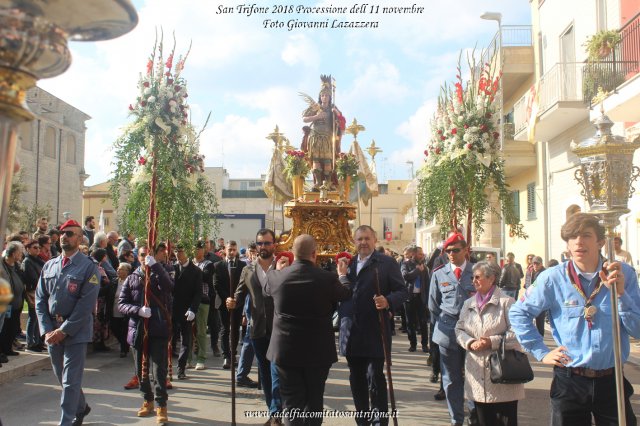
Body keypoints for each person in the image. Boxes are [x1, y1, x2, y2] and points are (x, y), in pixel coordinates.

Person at [510, 213, 640, 425]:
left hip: (612, 380)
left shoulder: (622, 273)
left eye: (586, 235)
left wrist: (621, 295)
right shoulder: (552, 278)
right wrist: (541, 352)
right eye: (572, 237)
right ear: (567, 244)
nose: (579, 241)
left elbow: (638, 330)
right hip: (570, 381)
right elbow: (519, 313)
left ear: (600, 241)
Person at [265, 234, 351, 425]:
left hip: (285, 351)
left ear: (293, 253)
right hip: (317, 352)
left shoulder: (277, 277)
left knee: (290, 402)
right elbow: (345, 294)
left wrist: (278, 269)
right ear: (314, 254)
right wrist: (343, 276)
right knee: (314, 399)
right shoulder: (327, 278)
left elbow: (266, 289)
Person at [338, 225, 407, 425]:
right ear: (354, 241)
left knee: (374, 377)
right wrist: (340, 276)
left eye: (367, 238)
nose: (363, 243)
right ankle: (362, 420)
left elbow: (402, 291)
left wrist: (388, 301)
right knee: (357, 379)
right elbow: (343, 293)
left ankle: (379, 421)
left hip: (376, 331)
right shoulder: (347, 264)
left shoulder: (385, 263)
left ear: (375, 240)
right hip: (351, 332)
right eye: (359, 239)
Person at [35, 219, 100, 426]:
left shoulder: (89, 268)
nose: (64, 236)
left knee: (70, 380)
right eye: (63, 233)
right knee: (61, 376)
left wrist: (64, 330)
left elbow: (85, 305)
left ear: (81, 239)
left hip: (76, 332)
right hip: (52, 331)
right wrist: (46, 330)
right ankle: (80, 407)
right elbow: (40, 300)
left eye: (70, 234)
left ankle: (67, 420)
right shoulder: (49, 265)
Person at [455, 261, 525, 426]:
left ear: (491, 278)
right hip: (477, 374)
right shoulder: (468, 303)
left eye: (478, 277)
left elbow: (518, 333)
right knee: (481, 420)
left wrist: (491, 342)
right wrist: (470, 342)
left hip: (503, 375)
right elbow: (459, 329)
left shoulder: (507, 302)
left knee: (504, 420)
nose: (473, 281)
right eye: (473, 277)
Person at [226, 229, 281, 423]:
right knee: (265, 374)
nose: (263, 247)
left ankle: (276, 414)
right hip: (257, 329)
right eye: (260, 243)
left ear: (274, 244)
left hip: (280, 330)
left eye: (267, 243)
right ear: (256, 246)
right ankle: (273, 413)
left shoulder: (282, 267)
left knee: (276, 372)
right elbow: (239, 295)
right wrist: (231, 301)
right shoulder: (248, 270)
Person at [118, 245, 174, 425]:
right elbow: (122, 303)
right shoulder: (132, 277)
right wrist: (137, 310)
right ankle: (147, 400)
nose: (144, 258)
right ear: (137, 256)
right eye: (142, 255)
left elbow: (169, 286)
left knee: (159, 370)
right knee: (140, 370)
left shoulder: (161, 272)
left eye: (147, 255)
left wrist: (156, 266)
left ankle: (161, 406)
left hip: (158, 328)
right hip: (138, 329)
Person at [429, 232, 476, 426]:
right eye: (448, 251)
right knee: (451, 379)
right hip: (447, 332)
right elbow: (433, 305)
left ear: (466, 250)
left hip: (474, 332)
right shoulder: (439, 273)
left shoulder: (478, 271)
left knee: (475, 377)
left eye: (455, 250)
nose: (451, 254)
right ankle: (456, 419)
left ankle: (475, 417)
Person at [301, 74, 346, 190]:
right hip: (315, 136)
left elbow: (341, 120)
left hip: (328, 137)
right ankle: (318, 183)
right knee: (316, 159)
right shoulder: (315, 107)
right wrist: (317, 116)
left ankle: (327, 183)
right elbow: (304, 119)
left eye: (326, 95)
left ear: (330, 97)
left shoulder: (333, 108)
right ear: (320, 96)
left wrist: (336, 113)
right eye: (323, 95)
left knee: (327, 160)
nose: (324, 97)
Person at [213, 240, 246, 369]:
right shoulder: (217, 265)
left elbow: (243, 285)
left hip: (237, 303)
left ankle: (233, 354)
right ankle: (226, 356)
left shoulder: (242, 265)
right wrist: (227, 298)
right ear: (225, 250)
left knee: (235, 330)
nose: (231, 252)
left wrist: (235, 300)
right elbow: (216, 284)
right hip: (223, 303)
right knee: (225, 329)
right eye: (229, 249)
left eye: (233, 249)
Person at [171, 244, 201, 379]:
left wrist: (193, 309)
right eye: (176, 251)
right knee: (168, 338)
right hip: (171, 309)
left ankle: (181, 368)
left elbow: (198, 293)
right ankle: (164, 368)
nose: (178, 254)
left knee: (185, 340)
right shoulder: (171, 268)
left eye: (181, 251)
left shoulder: (196, 271)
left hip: (186, 310)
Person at [401, 246, 430, 353]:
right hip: (409, 297)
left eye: (422, 254)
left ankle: (424, 345)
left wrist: (427, 300)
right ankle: (413, 344)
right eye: (420, 253)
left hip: (421, 298)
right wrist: (417, 270)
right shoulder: (406, 264)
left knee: (423, 322)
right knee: (410, 322)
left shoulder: (424, 267)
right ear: (413, 254)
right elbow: (406, 276)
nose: (422, 255)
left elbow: (427, 284)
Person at [0, 242, 24, 359]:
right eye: (20, 252)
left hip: (16, 303)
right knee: (3, 328)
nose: (21, 254)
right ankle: (2, 351)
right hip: (5, 303)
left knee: (12, 328)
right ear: (13, 253)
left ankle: (8, 349)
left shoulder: (17, 265)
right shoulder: (2, 264)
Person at [192, 240, 214, 370]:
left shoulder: (208, 264)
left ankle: (201, 358)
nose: (196, 251)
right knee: (187, 331)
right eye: (195, 248)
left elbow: (205, 277)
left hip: (202, 299)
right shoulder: (190, 263)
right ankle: (187, 359)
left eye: (199, 248)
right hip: (189, 300)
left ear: (203, 251)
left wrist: (191, 271)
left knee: (201, 330)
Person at [22, 240, 45, 352]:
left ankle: (37, 341)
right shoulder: (27, 261)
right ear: (28, 249)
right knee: (33, 318)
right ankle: (30, 342)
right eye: (34, 248)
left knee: (37, 318)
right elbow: (32, 278)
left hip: (39, 292)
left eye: (38, 248)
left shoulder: (38, 261)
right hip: (32, 292)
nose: (37, 250)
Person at [111, 262, 131, 357]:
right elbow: (105, 291)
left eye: (121, 269)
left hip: (126, 310)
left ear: (127, 271)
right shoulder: (114, 281)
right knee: (114, 328)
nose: (118, 270)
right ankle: (125, 343)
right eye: (118, 268)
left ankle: (123, 349)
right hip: (114, 309)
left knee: (124, 330)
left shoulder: (130, 281)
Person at [529, 256, 547, 337]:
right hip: (532, 299)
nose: (535, 266)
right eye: (534, 264)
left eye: (537, 264)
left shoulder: (544, 273)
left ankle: (540, 338)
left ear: (541, 264)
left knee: (540, 320)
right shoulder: (530, 271)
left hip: (540, 300)